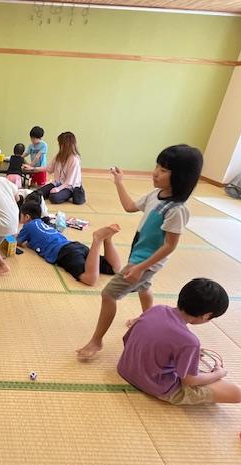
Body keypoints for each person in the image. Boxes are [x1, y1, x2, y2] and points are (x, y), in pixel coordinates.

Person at [76, 144, 204, 359]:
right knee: (145, 287)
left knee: (108, 294)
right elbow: (129, 207)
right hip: (140, 257)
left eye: (164, 170)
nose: (155, 173)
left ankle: (96, 341)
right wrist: (119, 182)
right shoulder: (156, 195)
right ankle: (148, 320)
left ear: (181, 176)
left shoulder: (176, 210)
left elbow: (170, 245)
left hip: (145, 262)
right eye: (157, 166)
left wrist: (140, 268)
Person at [118, 278, 241, 405]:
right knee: (236, 393)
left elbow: (127, 339)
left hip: (125, 369)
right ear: (207, 315)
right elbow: (190, 381)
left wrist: (186, 355)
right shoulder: (190, 341)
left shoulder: (156, 309)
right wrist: (219, 373)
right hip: (157, 386)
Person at [17, 201, 121, 286]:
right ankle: (108, 239)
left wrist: (22, 243)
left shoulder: (28, 226)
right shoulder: (42, 223)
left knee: (89, 279)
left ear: (27, 217)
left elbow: (16, 241)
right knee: (114, 269)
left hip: (65, 253)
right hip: (74, 246)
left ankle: (97, 240)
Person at [38, 132, 83, 204]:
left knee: (54, 197)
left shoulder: (74, 159)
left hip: (69, 187)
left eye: (60, 143)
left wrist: (58, 189)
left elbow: (69, 181)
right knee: (37, 194)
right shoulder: (59, 156)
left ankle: (70, 195)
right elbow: (49, 168)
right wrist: (33, 169)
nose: (59, 146)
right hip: (57, 183)